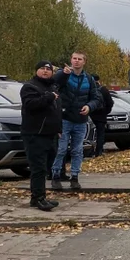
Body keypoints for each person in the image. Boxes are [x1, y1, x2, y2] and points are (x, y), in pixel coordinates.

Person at [51, 51, 102, 191]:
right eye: (74, 58)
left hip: (80, 119)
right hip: (65, 118)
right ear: (71, 60)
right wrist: (63, 74)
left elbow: (96, 98)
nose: (76, 61)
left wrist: (89, 106)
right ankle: (55, 175)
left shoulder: (89, 79)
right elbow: (54, 85)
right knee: (61, 149)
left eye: (79, 59)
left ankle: (75, 177)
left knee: (77, 150)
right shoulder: (64, 75)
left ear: (84, 62)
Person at [20, 61, 63, 212]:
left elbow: (57, 110)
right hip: (35, 134)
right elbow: (31, 104)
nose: (45, 71)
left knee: (46, 167)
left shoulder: (52, 87)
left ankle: (38, 196)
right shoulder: (30, 87)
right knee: (38, 168)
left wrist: (59, 128)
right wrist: (48, 97)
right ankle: (38, 198)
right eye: (42, 69)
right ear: (36, 71)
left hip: (50, 134)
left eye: (48, 69)